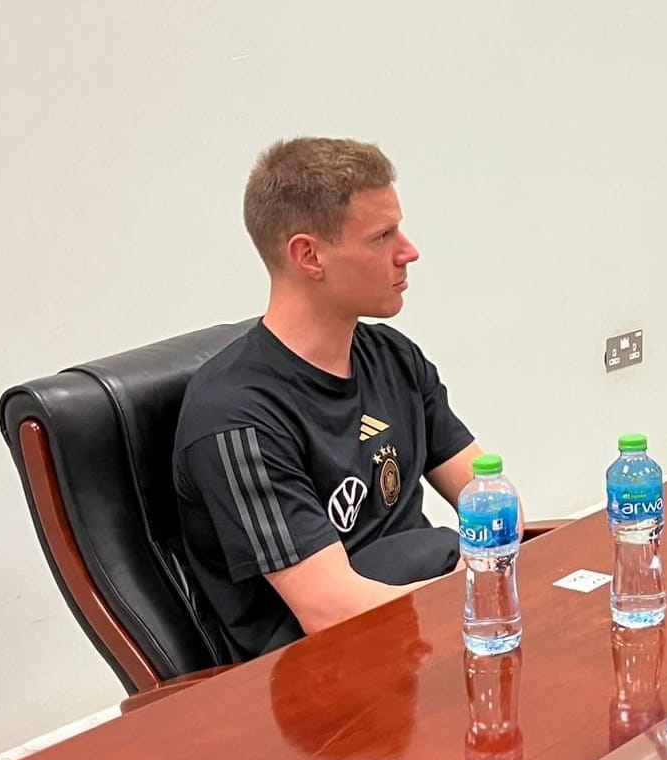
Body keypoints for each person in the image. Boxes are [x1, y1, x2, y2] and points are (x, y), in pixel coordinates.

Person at [173, 137, 486, 660]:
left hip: (422, 637)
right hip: (325, 686)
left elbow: (486, 492)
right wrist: (477, 590)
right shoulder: (236, 417)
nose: (408, 252)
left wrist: (495, 562)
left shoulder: (392, 357)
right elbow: (331, 612)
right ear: (308, 256)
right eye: (382, 236)